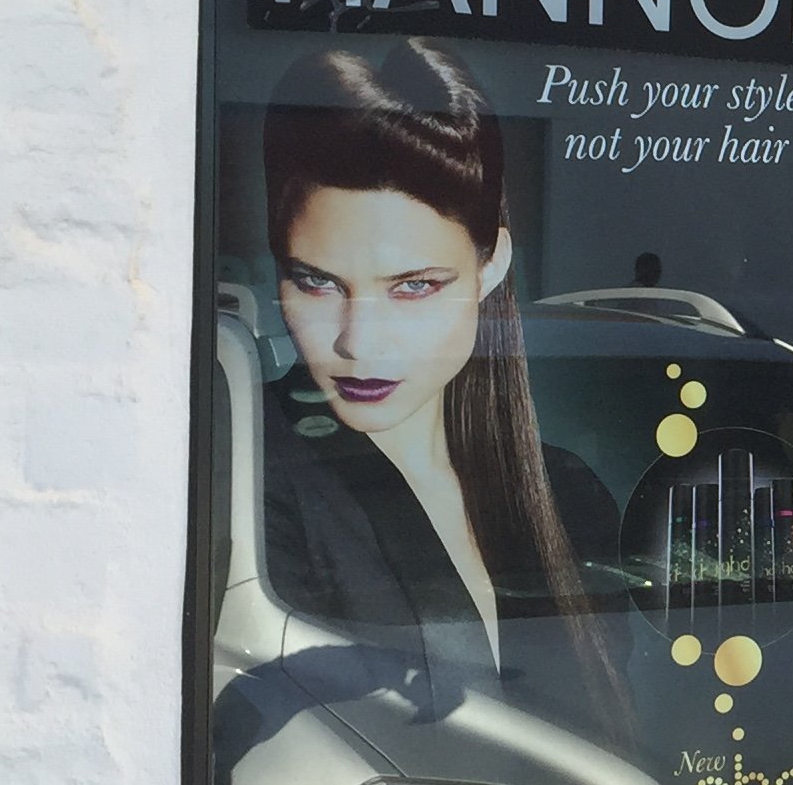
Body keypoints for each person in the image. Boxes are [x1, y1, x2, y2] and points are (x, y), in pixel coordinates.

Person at [257, 38, 628, 737]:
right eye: (317, 282)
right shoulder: (253, 489)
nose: (359, 343)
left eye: (414, 287)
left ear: (493, 265)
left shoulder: (568, 497)